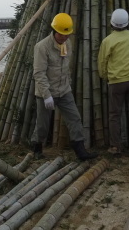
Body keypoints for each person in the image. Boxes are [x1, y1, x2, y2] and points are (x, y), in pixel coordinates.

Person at [32, 12, 98, 161]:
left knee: (74, 118)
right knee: (42, 124)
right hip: (46, 92)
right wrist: (47, 95)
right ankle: (37, 147)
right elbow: (39, 73)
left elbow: (66, 66)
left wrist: (67, 83)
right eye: (61, 34)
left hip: (64, 91)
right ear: (55, 31)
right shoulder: (42, 47)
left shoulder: (67, 43)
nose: (64, 37)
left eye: (67, 34)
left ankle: (80, 151)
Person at [98, 8, 129, 157]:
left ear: (112, 24)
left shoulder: (108, 41)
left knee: (114, 115)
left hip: (117, 82)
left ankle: (115, 147)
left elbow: (102, 62)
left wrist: (105, 77)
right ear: (127, 23)